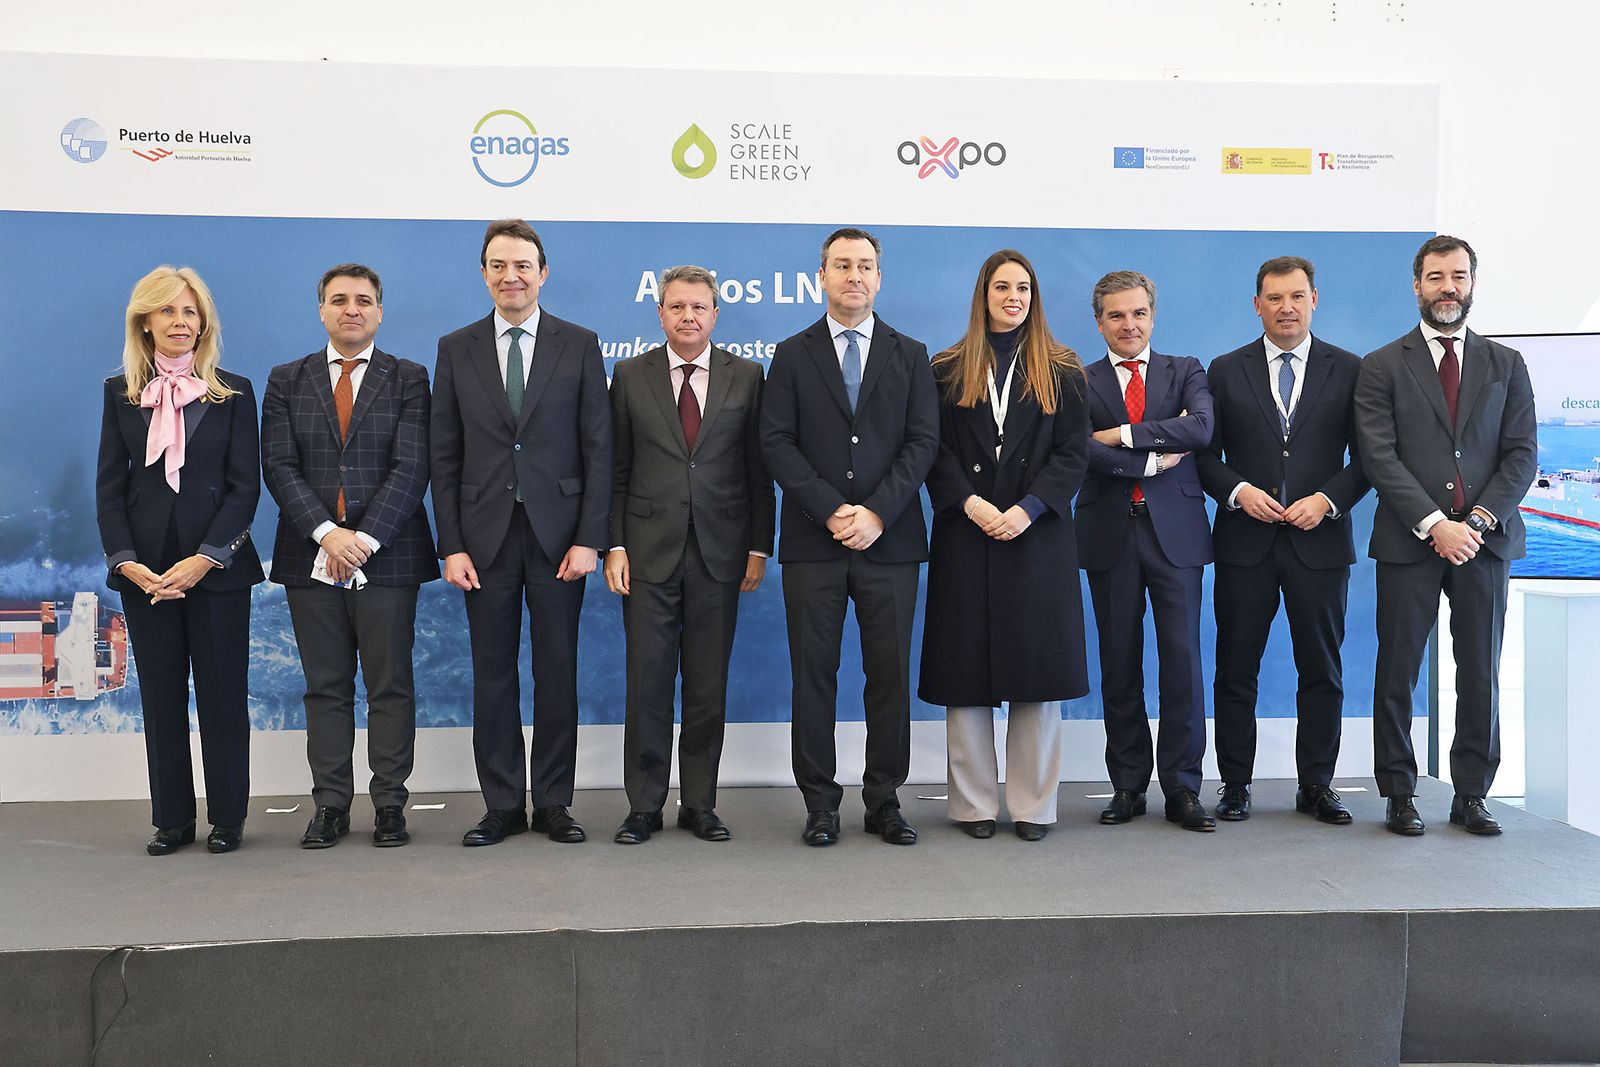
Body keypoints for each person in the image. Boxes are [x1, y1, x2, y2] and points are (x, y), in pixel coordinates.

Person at [431, 219, 612, 846]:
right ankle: (502, 804)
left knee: (557, 672)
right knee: (493, 674)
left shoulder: (579, 344)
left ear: (543, 273)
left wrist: (591, 537)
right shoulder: (456, 348)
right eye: (499, 266)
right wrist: (451, 544)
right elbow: (444, 456)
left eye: (523, 266)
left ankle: (556, 803)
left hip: (561, 537)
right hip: (482, 540)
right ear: (484, 273)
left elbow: (599, 447)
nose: (512, 276)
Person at [760, 227, 939, 846]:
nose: (853, 275)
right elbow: (776, 442)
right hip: (815, 543)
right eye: (842, 265)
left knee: (888, 674)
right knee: (815, 673)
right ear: (823, 277)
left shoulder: (911, 353)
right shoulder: (791, 353)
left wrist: (877, 513)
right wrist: (833, 510)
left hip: (890, 543)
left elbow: (923, 442)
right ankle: (820, 802)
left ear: (879, 278)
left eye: (865, 265)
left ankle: (885, 798)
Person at [1354, 235, 1536, 836]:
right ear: (1416, 285)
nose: (1447, 288)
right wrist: (1436, 525)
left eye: (1458, 276)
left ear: (1473, 282)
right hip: (1411, 542)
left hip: (1485, 543)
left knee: (1480, 669)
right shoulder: (1382, 364)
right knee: (1397, 669)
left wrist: (1475, 524)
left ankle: (1472, 793)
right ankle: (1399, 793)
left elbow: (1521, 456)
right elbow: (1379, 457)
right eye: (1435, 277)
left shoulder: (1507, 364)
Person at [262, 263, 438, 849]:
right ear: (321, 310)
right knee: (326, 687)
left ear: (380, 311)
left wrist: (361, 540)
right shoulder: (287, 379)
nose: (351, 309)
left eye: (363, 300)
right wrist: (327, 534)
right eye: (339, 300)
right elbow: (279, 467)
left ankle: (390, 804)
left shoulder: (409, 377)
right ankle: (331, 806)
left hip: (388, 556)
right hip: (310, 558)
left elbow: (412, 467)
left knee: (391, 685)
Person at [920, 250, 1089, 841]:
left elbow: (1073, 453)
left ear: (1034, 296)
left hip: (1036, 536)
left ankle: (1034, 806)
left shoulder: (1064, 369)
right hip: (966, 533)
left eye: (1023, 287)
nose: (1012, 296)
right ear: (983, 294)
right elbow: (931, 451)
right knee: (965, 675)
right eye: (1001, 286)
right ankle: (971, 806)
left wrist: (1027, 509)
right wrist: (971, 504)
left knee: (1036, 675)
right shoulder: (945, 368)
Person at [1195, 256, 1370, 824]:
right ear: (1257, 305)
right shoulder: (1223, 370)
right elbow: (1202, 456)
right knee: (1235, 669)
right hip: (1245, 544)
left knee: (1322, 670)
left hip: (1321, 545)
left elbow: (1371, 459)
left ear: (1314, 299)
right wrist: (1238, 491)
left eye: (1297, 297)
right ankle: (1235, 785)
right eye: (1274, 298)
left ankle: (1316, 784)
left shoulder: (1350, 369)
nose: (1286, 308)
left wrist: (1328, 500)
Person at [604, 266, 775, 844]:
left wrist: (757, 547)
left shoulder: (748, 377)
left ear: (716, 314)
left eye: (699, 307)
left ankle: (700, 802)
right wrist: (616, 545)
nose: (688, 317)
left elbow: (759, 473)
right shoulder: (629, 376)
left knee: (707, 687)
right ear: (660, 314)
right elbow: (617, 472)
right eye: (677, 307)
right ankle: (645, 806)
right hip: (647, 555)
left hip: (720, 556)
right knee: (647, 685)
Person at [96, 266, 262, 855]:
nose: (180, 322)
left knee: (223, 697)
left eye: (190, 312)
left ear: (204, 322)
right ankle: (171, 819)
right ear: (145, 322)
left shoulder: (234, 392)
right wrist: (125, 563)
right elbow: (110, 490)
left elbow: (246, 489)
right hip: (145, 575)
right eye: (168, 311)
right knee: (161, 699)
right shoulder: (119, 393)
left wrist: (207, 558)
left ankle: (228, 819)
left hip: (215, 573)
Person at [1076, 270, 1216, 831]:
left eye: (1138, 313)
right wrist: (1155, 453)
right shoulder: (1079, 382)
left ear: (1152, 316)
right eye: (1116, 315)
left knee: (1183, 663)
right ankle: (1128, 785)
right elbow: (1077, 450)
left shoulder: (1185, 371)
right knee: (1119, 663)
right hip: (1110, 534)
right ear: (1099, 322)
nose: (1128, 325)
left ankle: (1183, 787)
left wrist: (1122, 434)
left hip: (1175, 537)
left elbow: (1201, 430)